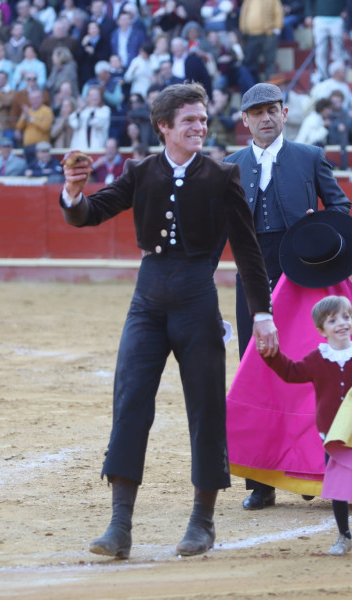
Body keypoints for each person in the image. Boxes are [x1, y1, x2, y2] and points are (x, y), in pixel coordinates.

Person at [60, 82, 277, 560]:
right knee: (131, 400)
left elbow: (246, 250)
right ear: (164, 127)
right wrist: (74, 193)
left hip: (197, 301)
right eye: (190, 122)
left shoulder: (222, 176)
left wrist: (262, 313)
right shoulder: (141, 172)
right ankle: (120, 525)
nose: (200, 127)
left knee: (205, 409)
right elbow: (91, 213)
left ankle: (202, 521)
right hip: (148, 302)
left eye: (202, 120)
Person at [222, 82, 351, 510]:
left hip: (303, 279)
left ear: (285, 112)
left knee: (315, 371)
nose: (264, 118)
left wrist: (321, 228)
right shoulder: (231, 165)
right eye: (256, 112)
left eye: (271, 110)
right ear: (244, 120)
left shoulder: (309, 157)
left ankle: (323, 465)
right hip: (252, 275)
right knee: (257, 368)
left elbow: (341, 208)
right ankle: (262, 481)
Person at [261, 294, 352, 555]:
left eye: (346, 317)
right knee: (337, 485)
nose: (341, 323)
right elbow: (291, 373)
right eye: (332, 320)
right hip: (332, 433)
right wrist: (272, 356)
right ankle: (343, 535)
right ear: (321, 330)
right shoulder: (318, 358)